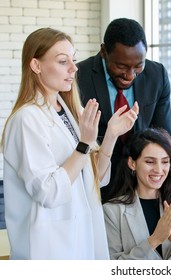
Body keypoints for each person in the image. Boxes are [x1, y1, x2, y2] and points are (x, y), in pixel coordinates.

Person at [0, 27, 139, 259]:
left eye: (73, 60)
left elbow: (95, 178)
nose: (74, 68)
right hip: (47, 249)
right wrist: (83, 144)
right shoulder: (27, 119)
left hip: (81, 240)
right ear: (36, 66)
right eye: (63, 61)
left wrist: (111, 135)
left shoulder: (72, 112)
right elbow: (49, 192)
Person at [77, 18, 171, 201]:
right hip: (96, 185)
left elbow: (165, 137)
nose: (130, 75)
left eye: (138, 66)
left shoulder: (157, 75)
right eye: (121, 66)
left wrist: (170, 191)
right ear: (104, 51)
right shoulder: (79, 77)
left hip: (144, 187)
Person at [103, 128, 171, 260]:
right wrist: (155, 239)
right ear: (132, 163)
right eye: (150, 162)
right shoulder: (112, 211)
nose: (159, 170)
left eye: (165, 161)